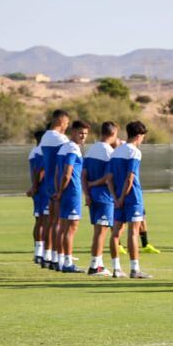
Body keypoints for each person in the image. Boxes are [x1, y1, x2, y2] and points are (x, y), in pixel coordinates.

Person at [108, 121, 152, 279]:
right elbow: (130, 178)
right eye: (143, 138)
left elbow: (109, 178)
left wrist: (115, 197)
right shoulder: (134, 152)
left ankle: (116, 269)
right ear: (139, 136)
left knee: (115, 234)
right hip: (132, 198)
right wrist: (122, 197)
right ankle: (135, 270)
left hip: (118, 198)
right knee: (133, 233)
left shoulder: (115, 152)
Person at [83, 121, 118, 276]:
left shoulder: (90, 150)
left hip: (93, 196)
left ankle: (99, 264)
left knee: (98, 231)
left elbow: (83, 176)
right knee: (101, 232)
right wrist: (94, 183)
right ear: (113, 133)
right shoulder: (109, 152)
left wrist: (87, 193)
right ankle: (94, 267)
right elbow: (108, 178)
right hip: (104, 196)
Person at [54, 120, 89, 273]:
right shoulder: (73, 149)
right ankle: (68, 263)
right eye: (81, 132)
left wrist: (57, 190)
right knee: (71, 228)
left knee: (62, 227)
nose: (83, 136)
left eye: (86, 134)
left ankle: (59, 259)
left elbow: (57, 172)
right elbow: (67, 174)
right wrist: (61, 191)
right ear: (73, 131)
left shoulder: (63, 148)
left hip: (65, 192)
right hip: (72, 192)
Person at [39, 110, 70, 270]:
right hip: (58, 183)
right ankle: (58, 258)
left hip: (48, 183)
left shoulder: (44, 137)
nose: (66, 127)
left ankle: (46, 255)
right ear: (60, 121)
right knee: (59, 222)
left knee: (50, 222)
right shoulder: (61, 139)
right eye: (66, 123)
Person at [26, 130, 47, 265]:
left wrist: (33, 187)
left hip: (38, 190)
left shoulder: (33, 151)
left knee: (39, 220)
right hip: (43, 190)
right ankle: (43, 253)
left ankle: (39, 251)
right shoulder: (42, 151)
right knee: (44, 222)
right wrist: (35, 186)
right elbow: (39, 171)